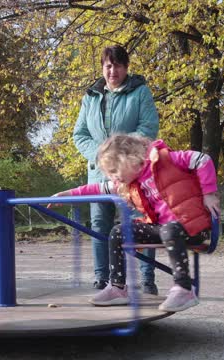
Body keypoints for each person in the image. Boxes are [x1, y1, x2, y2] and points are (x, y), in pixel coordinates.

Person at [52, 134, 220, 312]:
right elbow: (97, 188)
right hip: (164, 228)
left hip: (193, 226)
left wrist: (209, 193)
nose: (114, 177)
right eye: (110, 174)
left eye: (115, 171)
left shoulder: (165, 159)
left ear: (130, 158)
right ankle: (118, 288)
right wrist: (67, 194)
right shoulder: (129, 183)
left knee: (169, 230)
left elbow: (202, 159)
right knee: (118, 231)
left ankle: (184, 289)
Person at [72, 45, 160, 294]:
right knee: (100, 225)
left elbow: (148, 128)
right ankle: (103, 279)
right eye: (108, 65)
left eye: (118, 65)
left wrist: (121, 154)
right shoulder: (90, 96)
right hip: (99, 173)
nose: (113, 70)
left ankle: (147, 278)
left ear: (126, 67)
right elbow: (80, 134)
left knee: (141, 225)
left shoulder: (140, 92)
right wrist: (101, 157)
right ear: (102, 67)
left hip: (134, 173)